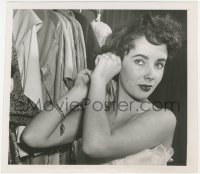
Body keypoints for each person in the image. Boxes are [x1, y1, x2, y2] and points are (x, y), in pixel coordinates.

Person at [22, 12, 182, 165]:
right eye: (140, 61)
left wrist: (98, 80)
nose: (151, 75)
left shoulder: (164, 118)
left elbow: (95, 146)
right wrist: (78, 92)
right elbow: (33, 137)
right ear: (116, 62)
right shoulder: (97, 114)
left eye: (159, 64)